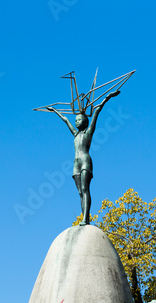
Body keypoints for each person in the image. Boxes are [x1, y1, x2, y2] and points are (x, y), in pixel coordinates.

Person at [47, 90, 120, 225]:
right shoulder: (75, 134)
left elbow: (97, 111)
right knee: (80, 192)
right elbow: (65, 120)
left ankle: (86, 218)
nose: (76, 121)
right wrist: (55, 111)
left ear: (85, 122)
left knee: (86, 189)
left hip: (85, 161)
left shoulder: (89, 132)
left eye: (79, 119)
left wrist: (107, 97)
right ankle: (84, 216)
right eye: (76, 120)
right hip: (75, 163)